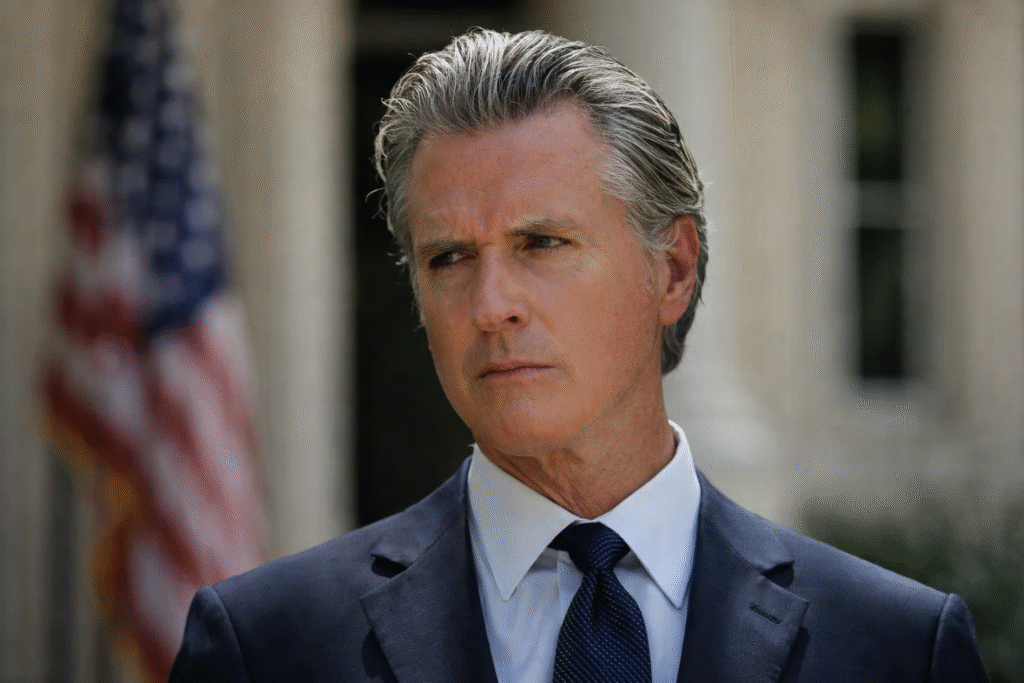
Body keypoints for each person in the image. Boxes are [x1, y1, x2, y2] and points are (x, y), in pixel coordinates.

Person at [170, 29, 989, 682]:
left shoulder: (896, 648)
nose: (491, 305)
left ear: (671, 270)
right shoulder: (265, 648)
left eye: (542, 242)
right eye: (449, 258)